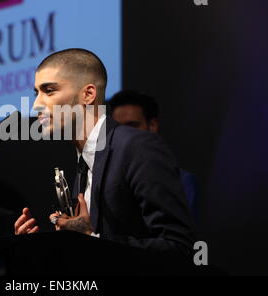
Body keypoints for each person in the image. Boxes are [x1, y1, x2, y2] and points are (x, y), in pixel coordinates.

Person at [14, 48, 195, 256]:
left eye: (49, 90)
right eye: (36, 93)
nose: (36, 105)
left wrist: (91, 240)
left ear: (88, 95)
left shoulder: (137, 147)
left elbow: (179, 247)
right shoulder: (84, 163)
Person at [108, 90, 199, 221]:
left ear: (152, 126)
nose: (123, 135)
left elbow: (179, 238)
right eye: (118, 128)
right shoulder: (102, 182)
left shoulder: (183, 183)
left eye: (132, 126)